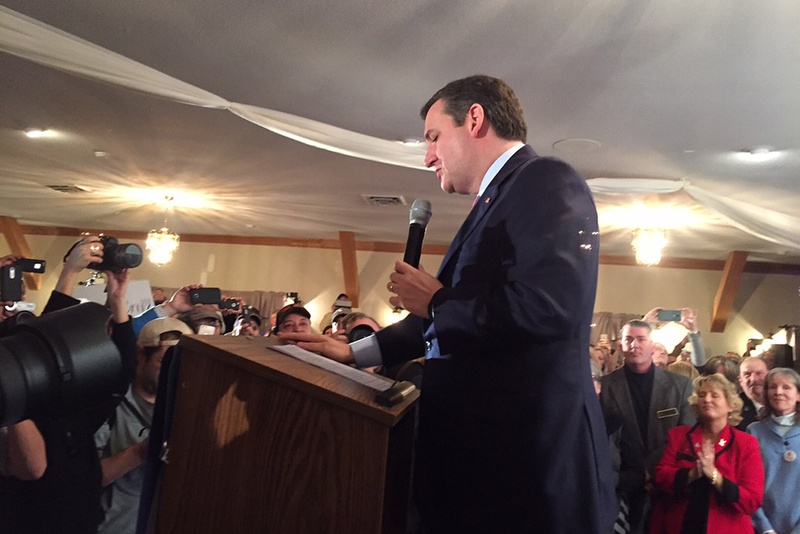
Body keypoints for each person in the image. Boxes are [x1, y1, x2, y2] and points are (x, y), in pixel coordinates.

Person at [279, 75, 616, 533]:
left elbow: (549, 308)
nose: (428, 155)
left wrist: (437, 300)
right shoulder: (495, 202)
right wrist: (354, 353)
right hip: (490, 466)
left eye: (435, 137)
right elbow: (448, 320)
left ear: (474, 119)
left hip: (526, 466)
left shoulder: (545, 179)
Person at [0, 236, 137, 533]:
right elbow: (26, 367)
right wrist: (69, 274)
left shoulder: (71, 406)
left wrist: (117, 301)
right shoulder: (16, 402)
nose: (8, 306)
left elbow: (121, 374)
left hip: (84, 522)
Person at [94, 317, 193, 534]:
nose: (172, 375)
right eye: (163, 363)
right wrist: (142, 451)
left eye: (179, 366)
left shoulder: (187, 407)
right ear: (141, 355)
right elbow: (88, 477)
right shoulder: (110, 402)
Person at [599, 319, 695, 534]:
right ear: (621, 345)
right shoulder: (605, 387)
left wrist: (653, 472)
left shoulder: (679, 386)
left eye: (641, 339)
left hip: (668, 483)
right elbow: (602, 437)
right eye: (628, 339)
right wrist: (630, 477)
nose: (635, 345)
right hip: (623, 485)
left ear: (652, 345)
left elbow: (686, 435)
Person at [652, 374, 764, 533]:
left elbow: (752, 500)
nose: (707, 400)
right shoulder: (678, 436)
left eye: (715, 395)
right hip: (682, 525)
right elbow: (661, 476)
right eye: (702, 395)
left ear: (730, 405)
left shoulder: (746, 444)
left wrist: (715, 476)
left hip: (728, 528)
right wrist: (691, 474)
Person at [747, 368, 800, 534]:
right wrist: (765, 529)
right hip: (762, 526)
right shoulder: (753, 432)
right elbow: (747, 485)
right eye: (772, 387)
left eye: (786, 387)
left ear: (798, 395)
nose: (778, 392)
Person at [737, 356, 768, 431]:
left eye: (759, 373)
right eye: (747, 374)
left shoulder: (782, 402)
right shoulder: (734, 408)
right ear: (740, 381)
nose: (753, 379)